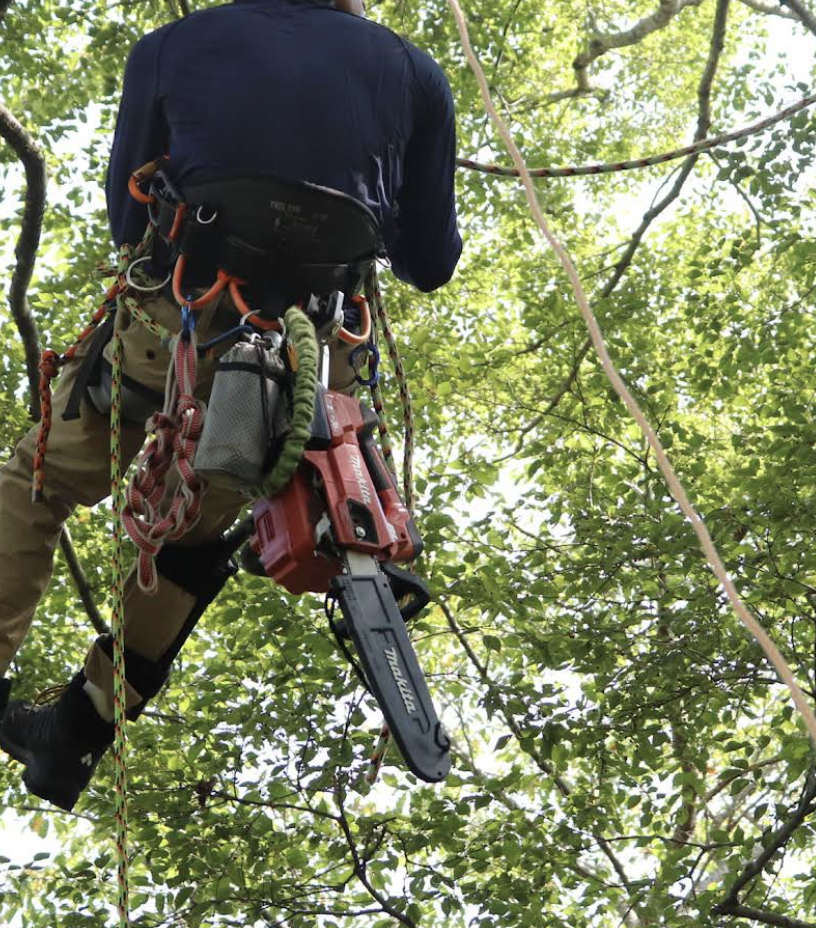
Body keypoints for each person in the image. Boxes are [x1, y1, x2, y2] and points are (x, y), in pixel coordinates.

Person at [0, 0, 461, 811]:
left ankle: (63, 714)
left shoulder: (173, 46)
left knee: (35, 484)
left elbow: (126, 216)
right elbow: (429, 261)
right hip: (307, 357)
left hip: (176, 320)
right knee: (189, 542)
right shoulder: (415, 74)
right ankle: (81, 727)